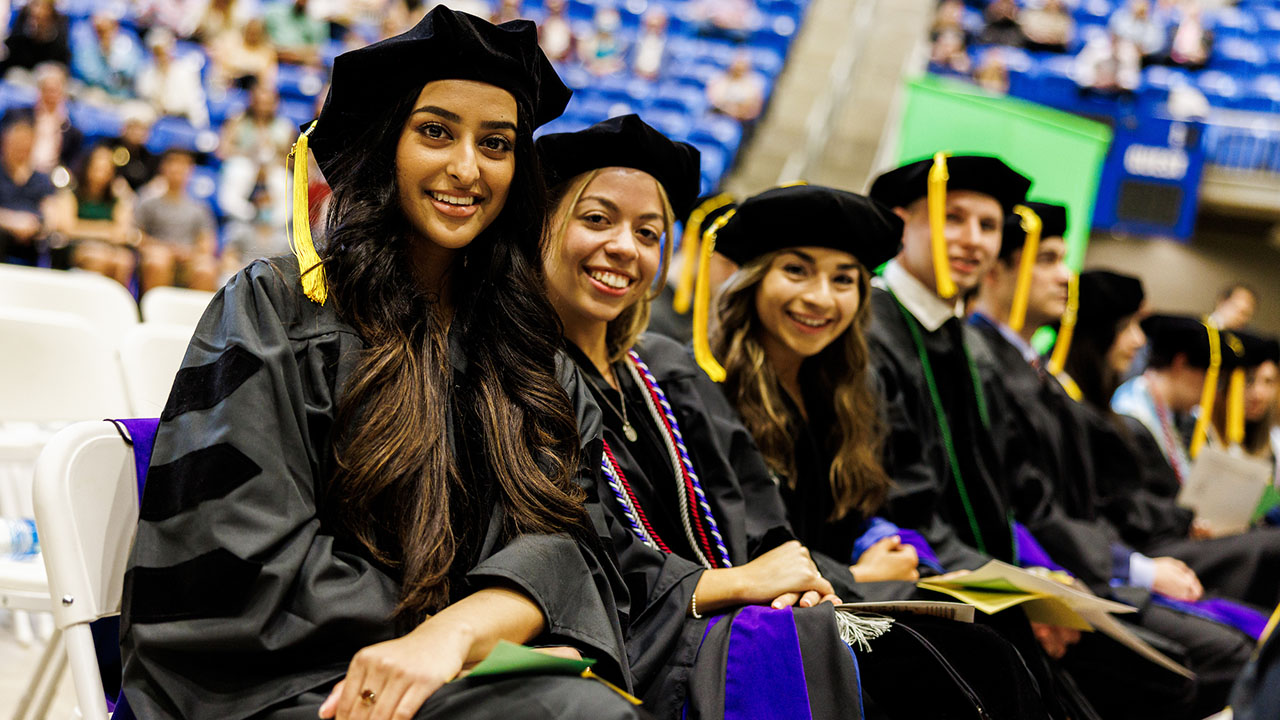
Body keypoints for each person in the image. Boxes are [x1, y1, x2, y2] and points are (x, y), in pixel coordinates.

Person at [120, 9, 648, 720]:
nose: (467, 167)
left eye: (496, 143)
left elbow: (572, 541)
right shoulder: (281, 310)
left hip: (466, 670)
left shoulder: (531, 354)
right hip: (299, 683)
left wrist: (460, 636)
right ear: (386, 144)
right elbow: (235, 554)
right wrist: (452, 632)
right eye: (436, 132)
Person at [539, 115, 876, 720]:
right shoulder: (520, 374)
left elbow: (753, 506)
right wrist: (737, 585)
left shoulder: (665, 368)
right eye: (597, 219)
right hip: (627, 637)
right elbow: (572, 553)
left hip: (720, 621)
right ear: (543, 225)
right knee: (784, 646)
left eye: (648, 232)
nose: (625, 247)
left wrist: (790, 576)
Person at [968, 210, 1255, 719]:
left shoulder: (1035, 376)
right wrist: (1132, 568)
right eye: (1048, 259)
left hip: (1086, 559)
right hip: (1041, 567)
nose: (1066, 277)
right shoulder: (981, 364)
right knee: (1214, 656)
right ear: (995, 270)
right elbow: (1032, 507)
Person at [134, 149, 218, 291]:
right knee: (158, 260)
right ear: (163, 168)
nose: (177, 168)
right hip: (157, 253)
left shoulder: (201, 208)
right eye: (172, 163)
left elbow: (207, 245)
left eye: (183, 164)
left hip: (188, 260)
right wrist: (164, 249)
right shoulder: (148, 202)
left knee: (207, 269)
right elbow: (136, 236)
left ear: (190, 170)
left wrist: (188, 253)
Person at [62, 142, 137, 287]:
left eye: (106, 169)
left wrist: (83, 227)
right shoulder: (72, 194)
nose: (101, 174)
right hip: (77, 247)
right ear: (87, 167)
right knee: (98, 258)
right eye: (97, 168)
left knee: (124, 261)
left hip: (110, 249)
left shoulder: (118, 198)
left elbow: (122, 233)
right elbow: (67, 228)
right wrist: (106, 228)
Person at [0, 110, 60, 266]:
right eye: (17, 142)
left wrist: (38, 225)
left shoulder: (41, 178)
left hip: (32, 237)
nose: (21, 147)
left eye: (26, 143)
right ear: (5, 143)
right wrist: (12, 221)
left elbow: (51, 212)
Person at [136, 28, 211, 128]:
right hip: (157, 118)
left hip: (181, 118)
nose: (161, 56)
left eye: (163, 51)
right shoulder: (148, 71)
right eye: (157, 52)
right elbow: (144, 93)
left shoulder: (184, 71)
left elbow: (193, 103)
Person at [70, 10, 144, 99]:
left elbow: (133, 71)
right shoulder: (86, 50)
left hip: (125, 94)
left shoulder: (128, 45)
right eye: (99, 30)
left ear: (115, 27)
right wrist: (104, 54)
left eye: (107, 29)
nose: (104, 34)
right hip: (98, 94)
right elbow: (90, 76)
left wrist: (112, 55)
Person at [1, 0, 70, 75]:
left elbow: (63, 63)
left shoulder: (59, 38)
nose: (35, 23)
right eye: (32, 18)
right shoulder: (18, 37)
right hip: (21, 74)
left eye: (40, 19)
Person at [264, 0, 327, 66]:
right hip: (275, 62)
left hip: (301, 65)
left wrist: (289, 53)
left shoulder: (315, 23)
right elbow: (264, 43)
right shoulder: (274, 14)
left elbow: (315, 52)